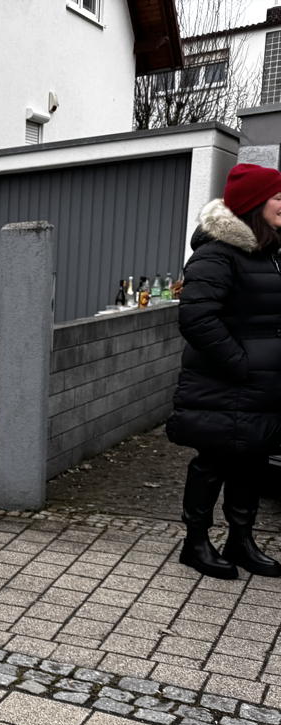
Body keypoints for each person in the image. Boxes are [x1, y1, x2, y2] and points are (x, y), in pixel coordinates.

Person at [168, 162, 281, 580]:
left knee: (252, 462)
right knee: (213, 461)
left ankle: (241, 540)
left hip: (262, 386)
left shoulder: (270, 253)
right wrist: (241, 363)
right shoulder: (216, 253)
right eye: (279, 197)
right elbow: (197, 318)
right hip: (227, 383)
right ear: (254, 203)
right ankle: (195, 543)